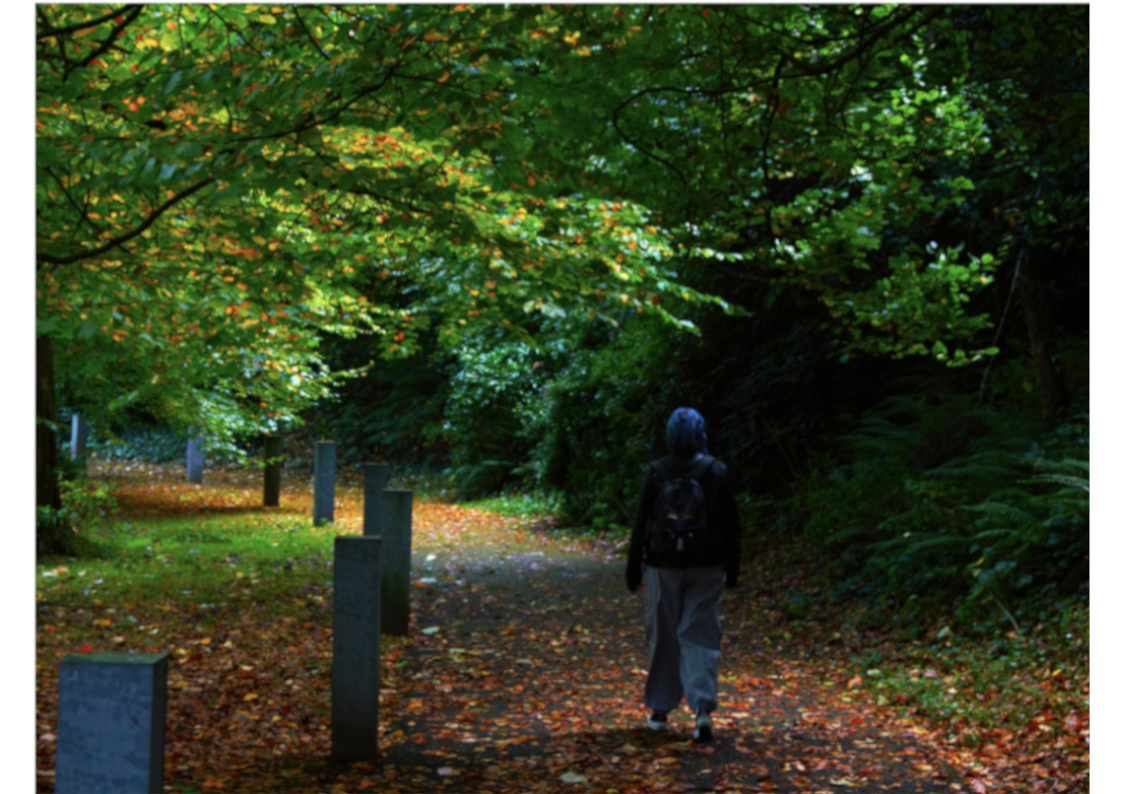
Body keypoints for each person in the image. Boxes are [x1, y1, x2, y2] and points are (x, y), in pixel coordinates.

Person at [625, 407, 742, 741]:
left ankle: (660, 712)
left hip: (662, 567)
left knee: (662, 634)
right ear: (701, 432)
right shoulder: (716, 470)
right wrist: (733, 567)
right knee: (700, 635)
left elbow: (641, 523)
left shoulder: (657, 471)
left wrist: (633, 566)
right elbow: (731, 525)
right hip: (707, 567)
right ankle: (703, 712)